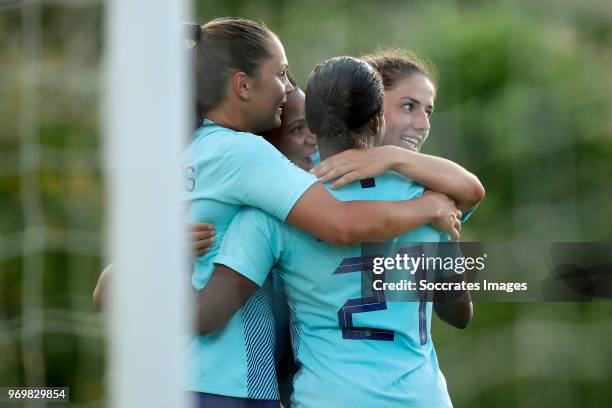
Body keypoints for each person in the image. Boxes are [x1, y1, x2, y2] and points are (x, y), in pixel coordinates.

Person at [182, 17, 467, 408]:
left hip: (325, 395)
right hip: (421, 398)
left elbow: (205, 313)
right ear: (379, 116)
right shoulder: (435, 197)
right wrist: (429, 209)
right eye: (409, 106)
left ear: (313, 125)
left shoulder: (273, 214)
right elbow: (459, 309)